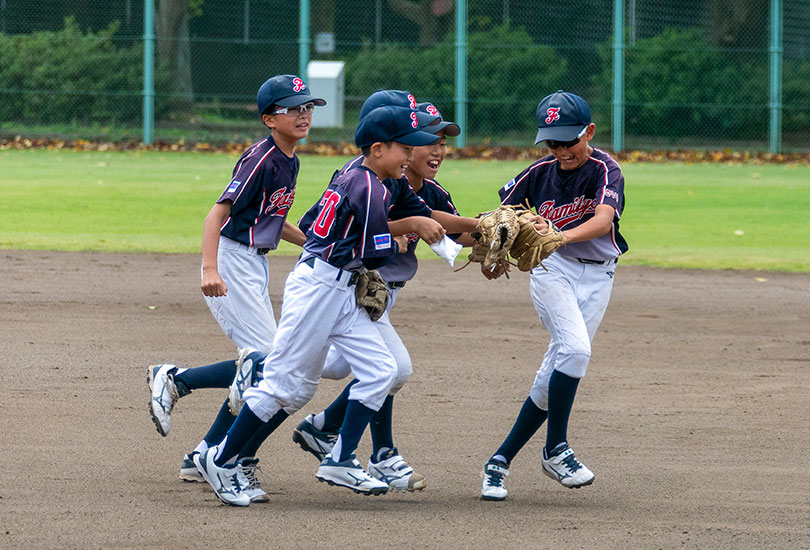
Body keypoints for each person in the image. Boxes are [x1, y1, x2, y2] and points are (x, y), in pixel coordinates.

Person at [193, 103, 448, 506]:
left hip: (340, 288)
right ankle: (221, 460)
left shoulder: (363, 177)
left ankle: (341, 457)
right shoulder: (368, 186)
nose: (410, 156)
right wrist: (400, 237)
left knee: (382, 370)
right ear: (378, 149)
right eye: (405, 148)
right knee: (283, 386)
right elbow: (371, 250)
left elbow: (316, 224)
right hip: (318, 289)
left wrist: (409, 228)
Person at [146, 74, 324, 498]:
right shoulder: (260, 159)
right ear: (268, 118)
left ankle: (201, 453)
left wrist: (318, 246)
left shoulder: (290, 159)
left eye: (308, 107)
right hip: (231, 260)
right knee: (267, 363)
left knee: (261, 364)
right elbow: (215, 215)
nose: (303, 114)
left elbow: (273, 222)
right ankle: (175, 381)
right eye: (292, 108)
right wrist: (210, 268)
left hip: (254, 264)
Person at [291, 102, 474, 492]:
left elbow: (451, 231)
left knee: (357, 369)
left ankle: (327, 430)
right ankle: (369, 450)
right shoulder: (365, 179)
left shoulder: (409, 185)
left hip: (367, 293)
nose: (435, 149)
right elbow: (344, 229)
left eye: (439, 141)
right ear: (388, 145)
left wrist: (493, 232)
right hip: (343, 288)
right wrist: (401, 229)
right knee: (295, 373)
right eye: (426, 141)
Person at [479, 90, 628, 501]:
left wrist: (559, 236)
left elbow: (601, 222)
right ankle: (555, 448)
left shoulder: (606, 170)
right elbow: (498, 220)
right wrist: (492, 253)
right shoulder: (536, 173)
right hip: (551, 271)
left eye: (569, 140)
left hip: (599, 276)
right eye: (553, 141)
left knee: (556, 372)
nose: (561, 150)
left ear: (589, 132)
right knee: (576, 352)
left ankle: (499, 461)